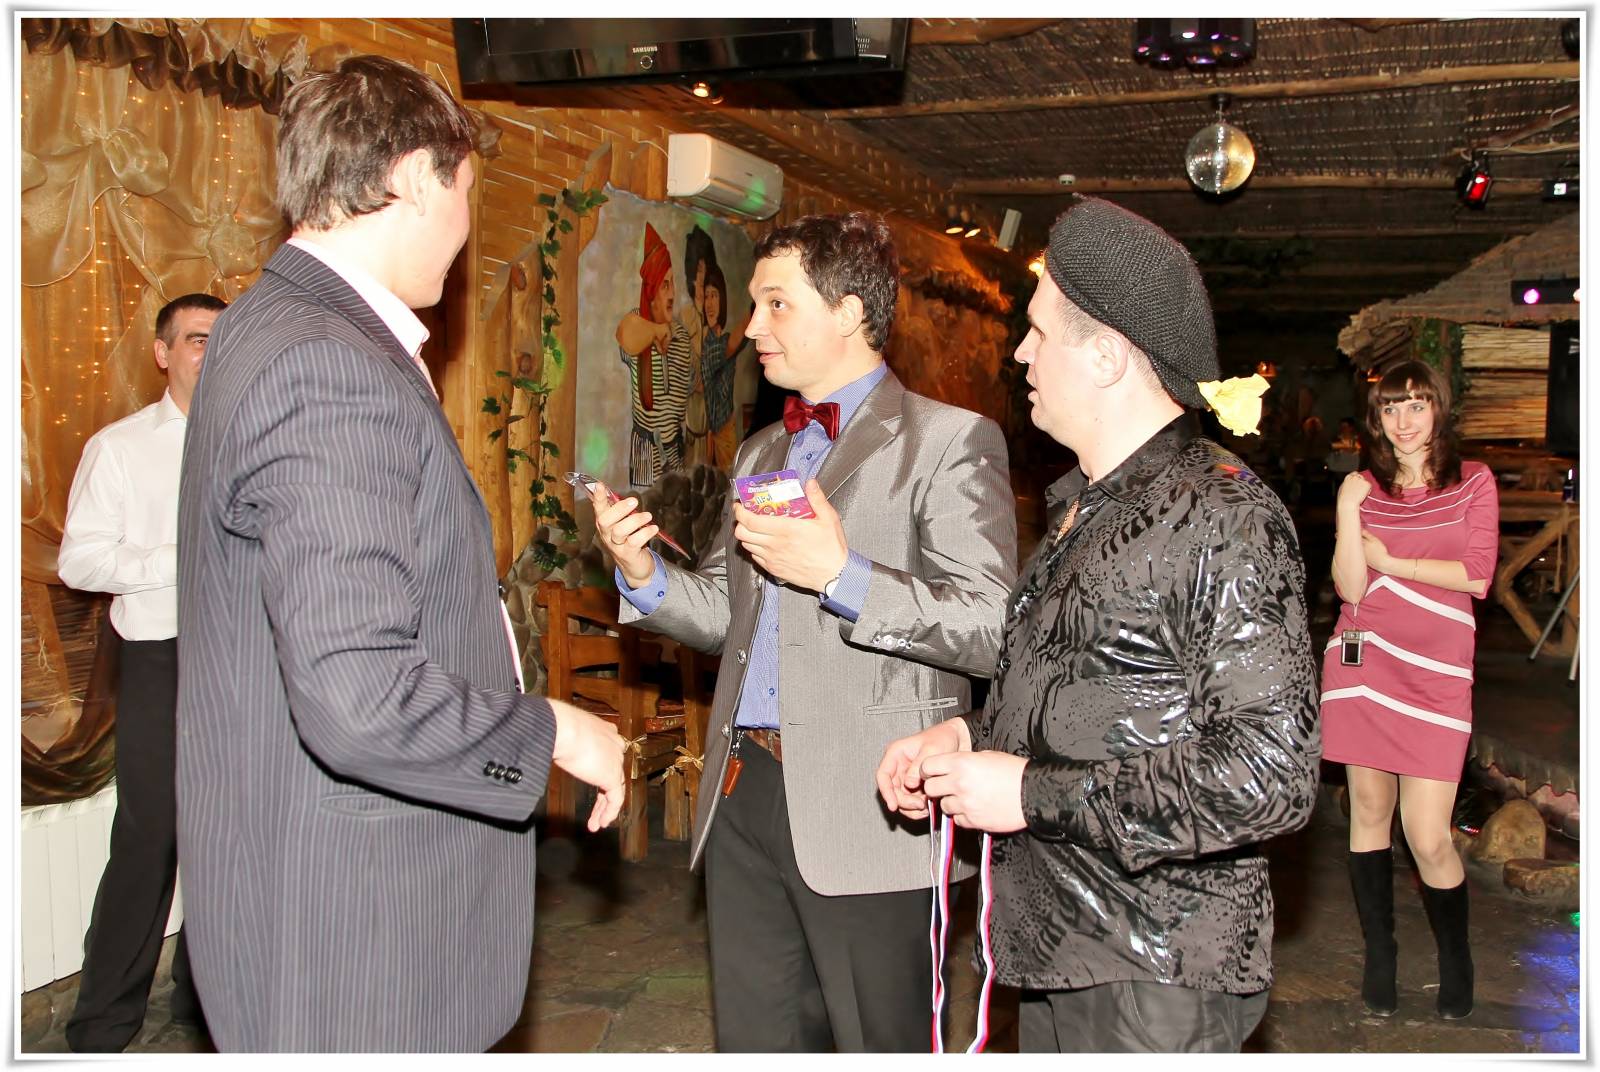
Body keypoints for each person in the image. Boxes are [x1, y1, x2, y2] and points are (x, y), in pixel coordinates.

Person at [174, 55, 625, 1052]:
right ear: (418, 178)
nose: (467, 227)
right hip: (355, 932)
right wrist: (550, 729)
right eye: (467, 192)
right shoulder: (326, 363)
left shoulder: (268, 322)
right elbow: (358, 694)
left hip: (308, 892)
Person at [877, 197, 1321, 1054]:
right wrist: (967, 739)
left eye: (1040, 333)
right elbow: (1090, 698)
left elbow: (1271, 774)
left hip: (1154, 969)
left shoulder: (1223, 515)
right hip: (1061, 948)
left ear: (1109, 356)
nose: (1020, 352)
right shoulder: (1086, 505)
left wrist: (1027, 795)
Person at [592, 211, 1016, 1052]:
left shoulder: (948, 442)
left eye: (776, 304)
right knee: (757, 1041)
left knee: (876, 1044)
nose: (752, 327)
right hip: (744, 787)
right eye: (754, 304)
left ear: (850, 310)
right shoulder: (761, 453)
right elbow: (729, 611)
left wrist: (841, 576)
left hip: (873, 802)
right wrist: (643, 576)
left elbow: (989, 625)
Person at [56, 292, 225, 1051]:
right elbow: (80, 562)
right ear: (163, 353)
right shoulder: (119, 448)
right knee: (150, 837)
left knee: (224, 838)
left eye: (221, 340)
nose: (209, 354)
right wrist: (180, 557)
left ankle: (205, 1002)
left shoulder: (254, 441)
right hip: (160, 657)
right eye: (196, 340)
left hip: (242, 658)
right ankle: (101, 1025)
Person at [1322, 360, 1498, 1021]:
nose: (1403, 420)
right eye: (1391, 408)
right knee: (1369, 813)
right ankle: (1381, 957)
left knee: (1428, 836)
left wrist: (1394, 562)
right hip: (1366, 662)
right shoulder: (1363, 488)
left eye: (1417, 405)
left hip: (1437, 672)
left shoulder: (1474, 481)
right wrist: (1347, 511)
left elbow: (1477, 575)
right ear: (1377, 419)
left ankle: (1457, 959)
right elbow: (1351, 588)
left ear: (1438, 411)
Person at [617, 222, 695, 486]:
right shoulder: (637, 322)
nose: (672, 293)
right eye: (664, 285)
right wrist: (657, 330)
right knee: (642, 508)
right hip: (646, 452)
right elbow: (626, 333)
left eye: (673, 284)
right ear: (650, 291)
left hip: (675, 452)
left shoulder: (681, 335)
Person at [699, 263, 751, 470]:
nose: (710, 304)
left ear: (722, 301)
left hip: (725, 432)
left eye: (714, 296)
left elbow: (736, 339)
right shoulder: (706, 344)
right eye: (706, 296)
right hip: (707, 436)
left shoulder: (721, 342)